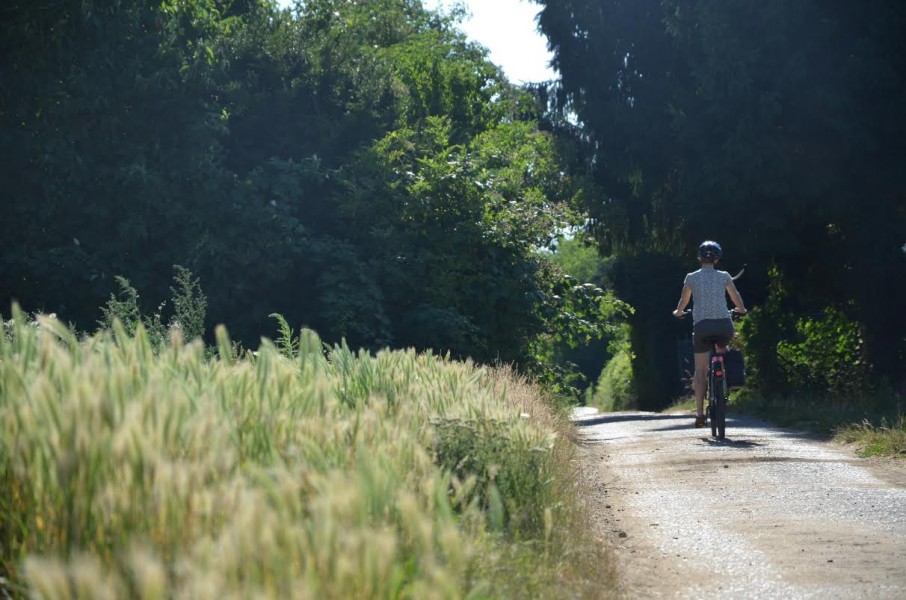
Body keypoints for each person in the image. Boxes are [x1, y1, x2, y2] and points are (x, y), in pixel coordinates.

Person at [673, 241, 747, 428]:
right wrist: (741, 309)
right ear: (717, 258)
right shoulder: (724, 276)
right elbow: (735, 296)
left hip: (702, 328)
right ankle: (725, 377)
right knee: (723, 347)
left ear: (699, 258)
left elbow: (684, 300)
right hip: (724, 326)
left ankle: (699, 414)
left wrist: (679, 313)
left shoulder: (691, 277)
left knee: (700, 371)